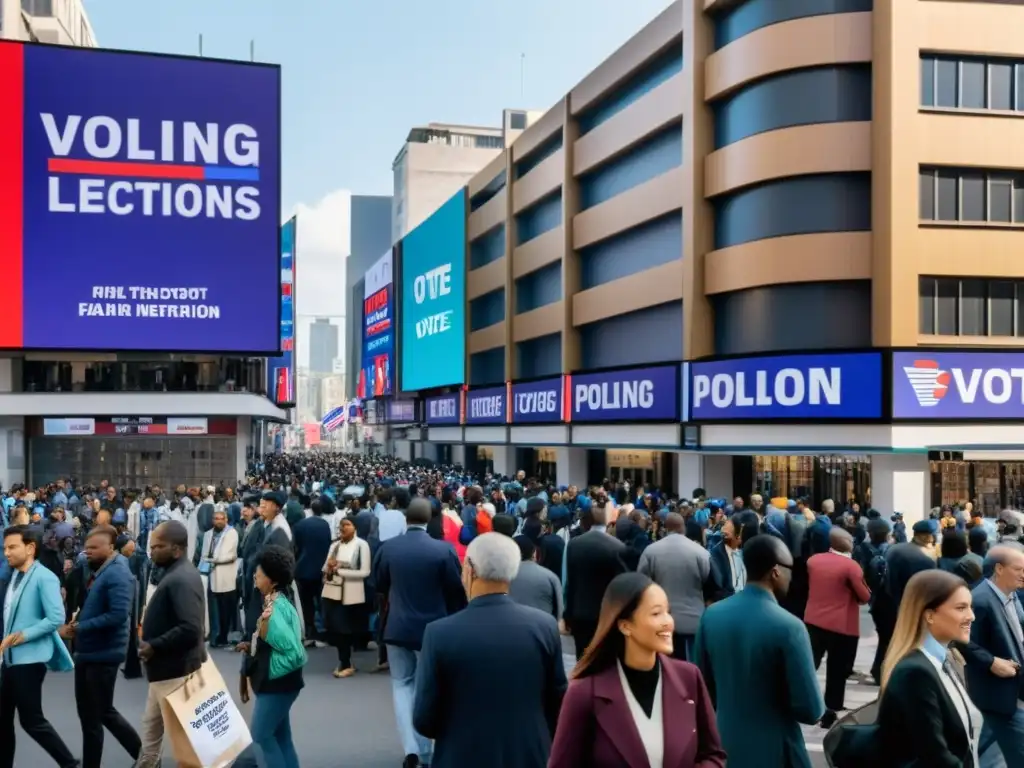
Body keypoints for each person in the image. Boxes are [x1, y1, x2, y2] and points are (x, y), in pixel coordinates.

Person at [413, 533, 567, 767]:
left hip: (462, 754)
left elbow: (424, 718)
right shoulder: (544, 626)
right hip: (530, 752)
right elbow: (557, 700)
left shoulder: (439, 633)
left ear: (470, 570)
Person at [549, 572, 726, 767]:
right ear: (625, 626)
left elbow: (713, 755)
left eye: (668, 611)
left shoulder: (689, 677)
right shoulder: (584, 693)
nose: (668, 621)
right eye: (656, 613)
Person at [693, 535, 824, 768]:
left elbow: (702, 688)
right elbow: (810, 709)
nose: (791, 575)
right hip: (775, 749)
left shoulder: (712, 616)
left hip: (723, 746)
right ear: (775, 571)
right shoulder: (789, 627)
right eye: (789, 569)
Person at [373, 496, 467, 768]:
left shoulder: (389, 548)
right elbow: (455, 592)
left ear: (406, 518)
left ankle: (413, 748)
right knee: (432, 686)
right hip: (434, 629)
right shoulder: (443, 550)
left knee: (402, 685)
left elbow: (379, 584)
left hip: (397, 626)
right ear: (429, 520)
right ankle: (427, 747)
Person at [876, 569, 981, 767]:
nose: (971, 616)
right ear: (930, 615)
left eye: (970, 607)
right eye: (961, 608)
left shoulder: (947, 660)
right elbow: (934, 756)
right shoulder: (916, 672)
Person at [60, 526, 141, 768]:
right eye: (86, 548)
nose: (88, 552)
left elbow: (118, 615)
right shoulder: (102, 571)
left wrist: (79, 627)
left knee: (103, 712)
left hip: (104, 654)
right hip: (88, 652)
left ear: (111, 548)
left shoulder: (117, 573)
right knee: (88, 717)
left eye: (94, 548)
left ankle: (146, 756)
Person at [0, 525, 77, 768]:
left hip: (30, 660)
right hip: (9, 660)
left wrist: (23, 635)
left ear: (30, 548)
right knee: (2, 722)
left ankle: (69, 764)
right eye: (4, 548)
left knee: (31, 720)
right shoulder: (13, 575)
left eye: (12, 547)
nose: (6, 553)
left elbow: (55, 618)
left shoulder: (45, 576)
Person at [136, 521, 206, 768]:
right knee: (151, 727)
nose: (152, 551)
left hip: (175, 672)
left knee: (184, 740)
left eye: (158, 546)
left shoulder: (181, 579)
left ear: (176, 549)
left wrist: (154, 645)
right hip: (165, 672)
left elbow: (191, 628)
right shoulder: (177, 573)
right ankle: (148, 763)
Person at [238, 546, 307, 768]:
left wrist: (268, 666)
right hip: (284, 683)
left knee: (261, 736)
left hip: (275, 684)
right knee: (280, 737)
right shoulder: (280, 600)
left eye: (259, 573)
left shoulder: (274, 611)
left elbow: (294, 653)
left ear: (272, 580)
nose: (255, 576)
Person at [960, 545, 1024, 767]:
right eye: (1018, 569)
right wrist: (991, 662)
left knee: (981, 743)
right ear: (999, 568)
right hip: (997, 693)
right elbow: (962, 641)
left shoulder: (1013, 596)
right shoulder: (979, 600)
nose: (1023, 575)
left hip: (1011, 690)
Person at [803, 527, 871, 726]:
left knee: (809, 666)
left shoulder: (813, 561)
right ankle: (830, 711)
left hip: (814, 621)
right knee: (836, 672)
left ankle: (803, 704)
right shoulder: (851, 567)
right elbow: (864, 597)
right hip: (842, 626)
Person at [637, 511, 712, 661]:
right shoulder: (701, 553)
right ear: (683, 528)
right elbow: (710, 585)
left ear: (665, 528)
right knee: (690, 670)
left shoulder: (650, 552)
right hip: (694, 622)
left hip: (660, 623)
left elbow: (640, 585)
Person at [563, 506, 628, 660]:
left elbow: (570, 583)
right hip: (608, 615)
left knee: (583, 659)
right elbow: (623, 585)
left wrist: (567, 614)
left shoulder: (575, 544)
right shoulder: (617, 546)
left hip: (581, 613)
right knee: (606, 660)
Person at [322, 516, 371, 677]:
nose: (343, 528)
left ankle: (346, 662)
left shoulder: (361, 545)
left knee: (346, 629)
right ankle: (344, 660)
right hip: (332, 592)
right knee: (335, 628)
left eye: (347, 525)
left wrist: (340, 571)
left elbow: (365, 572)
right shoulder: (334, 545)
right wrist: (329, 570)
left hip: (351, 594)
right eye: (341, 526)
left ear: (355, 527)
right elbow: (325, 568)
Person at [292, 499, 332, 646]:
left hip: (303, 569)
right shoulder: (325, 525)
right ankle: (324, 631)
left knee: (306, 603)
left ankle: (311, 630)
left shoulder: (300, 525)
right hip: (321, 568)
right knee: (322, 601)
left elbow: (296, 547)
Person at [197, 508, 239, 648]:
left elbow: (231, 556)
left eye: (221, 518)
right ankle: (215, 637)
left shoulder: (231, 533)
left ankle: (223, 637)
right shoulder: (208, 534)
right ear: (212, 520)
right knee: (213, 610)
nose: (219, 521)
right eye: (216, 519)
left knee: (225, 610)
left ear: (226, 520)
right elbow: (204, 554)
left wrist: (212, 560)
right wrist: (207, 562)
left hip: (226, 577)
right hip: (210, 576)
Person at [508, 535, 562, 622]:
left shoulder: (503, 577)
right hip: (543, 629)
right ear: (534, 553)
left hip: (510, 628)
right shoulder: (550, 576)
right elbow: (559, 611)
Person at [708, 513, 746, 603]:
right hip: (727, 603)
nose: (742, 536)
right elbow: (718, 589)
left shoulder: (742, 553)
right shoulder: (716, 555)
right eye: (740, 533)